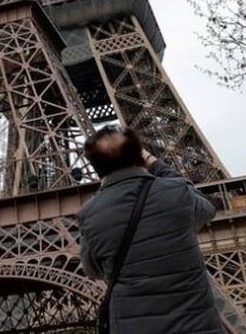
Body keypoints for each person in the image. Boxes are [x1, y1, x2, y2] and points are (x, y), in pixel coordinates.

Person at [77, 125, 220, 333]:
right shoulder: (176, 192)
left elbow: (92, 269)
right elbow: (207, 209)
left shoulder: (89, 215)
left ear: (97, 169)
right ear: (141, 156)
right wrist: (156, 164)